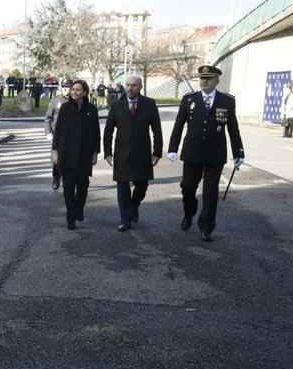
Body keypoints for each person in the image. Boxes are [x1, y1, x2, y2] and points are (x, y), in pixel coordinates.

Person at [168, 65, 245, 242]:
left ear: (217, 80)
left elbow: (233, 129)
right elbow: (178, 125)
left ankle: (206, 227)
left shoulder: (226, 101)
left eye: (209, 78)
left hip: (214, 153)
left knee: (210, 193)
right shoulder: (189, 100)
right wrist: (173, 148)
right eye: (202, 78)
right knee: (187, 188)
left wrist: (238, 152)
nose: (204, 81)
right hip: (192, 152)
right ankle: (189, 213)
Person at [103, 76, 163, 232]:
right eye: (128, 85)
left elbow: (157, 129)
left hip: (142, 153)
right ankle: (125, 220)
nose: (130, 88)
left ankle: (133, 207)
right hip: (122, 153)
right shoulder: (116, 106)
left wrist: (157, 152)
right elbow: (108, 131)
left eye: (134, 85)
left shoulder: (149, 104)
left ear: (140, 87)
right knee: (122, 189)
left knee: (142, 185)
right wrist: (108, 153)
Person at [51, 80, 100, 230]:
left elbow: (96, 133)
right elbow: (57, 131)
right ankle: (70, 217)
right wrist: (55, 152)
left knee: (83, 187)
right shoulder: (65, 108)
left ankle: (79, 208)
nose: (74, 92)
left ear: (84, 92)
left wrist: (95, 152)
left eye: (78, 90)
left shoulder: (91, 109)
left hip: (84, 155)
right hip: (67, 155)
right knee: (69, 189)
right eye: (73, 90)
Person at [44, 87, 69, 190]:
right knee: (56, 158)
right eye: (63, 87)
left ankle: (67, 179)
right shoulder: (55, 100)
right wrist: (48, 132)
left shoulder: (75, 100)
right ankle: (56, 177)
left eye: (67, 87)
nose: (65, 89)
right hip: (57, 134)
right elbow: (48, 118)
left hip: (70, 135)